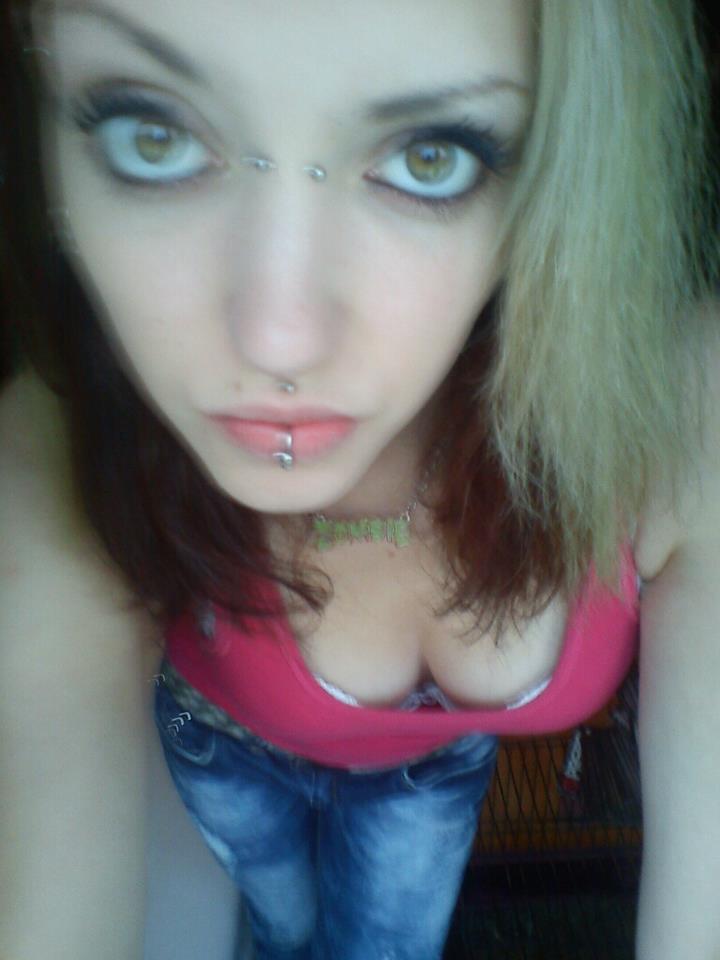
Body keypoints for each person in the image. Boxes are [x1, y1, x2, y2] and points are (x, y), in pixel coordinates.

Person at [1, 1, 718, 958]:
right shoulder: (64, 443)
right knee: (278, 929)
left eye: (431, 157)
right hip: (224, 755)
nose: (278, 339)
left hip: (431, 785)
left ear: (563, 168)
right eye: (155, 136)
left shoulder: (682, 411)